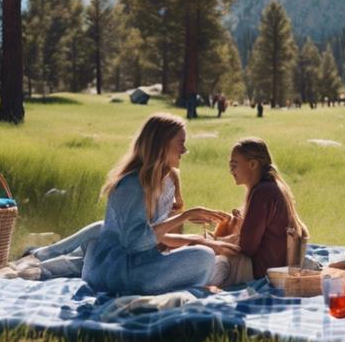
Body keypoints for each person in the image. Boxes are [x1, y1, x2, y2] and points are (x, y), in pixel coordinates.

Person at [81, 113, 238, 294]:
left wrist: (200, 240)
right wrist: (185, 216)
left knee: (204, 255)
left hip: (140, 264)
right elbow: (135, 242)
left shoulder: (164, 182)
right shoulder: (131, 185)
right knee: (205, 258)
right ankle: (175, 288)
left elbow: (155, 236)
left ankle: (172, 287)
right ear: (162, 144)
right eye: (181, 142)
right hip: (114, 270)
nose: (185, 150)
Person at [207, 137, 309, 286]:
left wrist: (214, 242)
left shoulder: (263, 192)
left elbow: (246, 247)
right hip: (274, 265)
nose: (231, 171)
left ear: (253, 164)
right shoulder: (271, 186)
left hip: (261, 272)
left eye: (234, 165)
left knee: (209, 259)